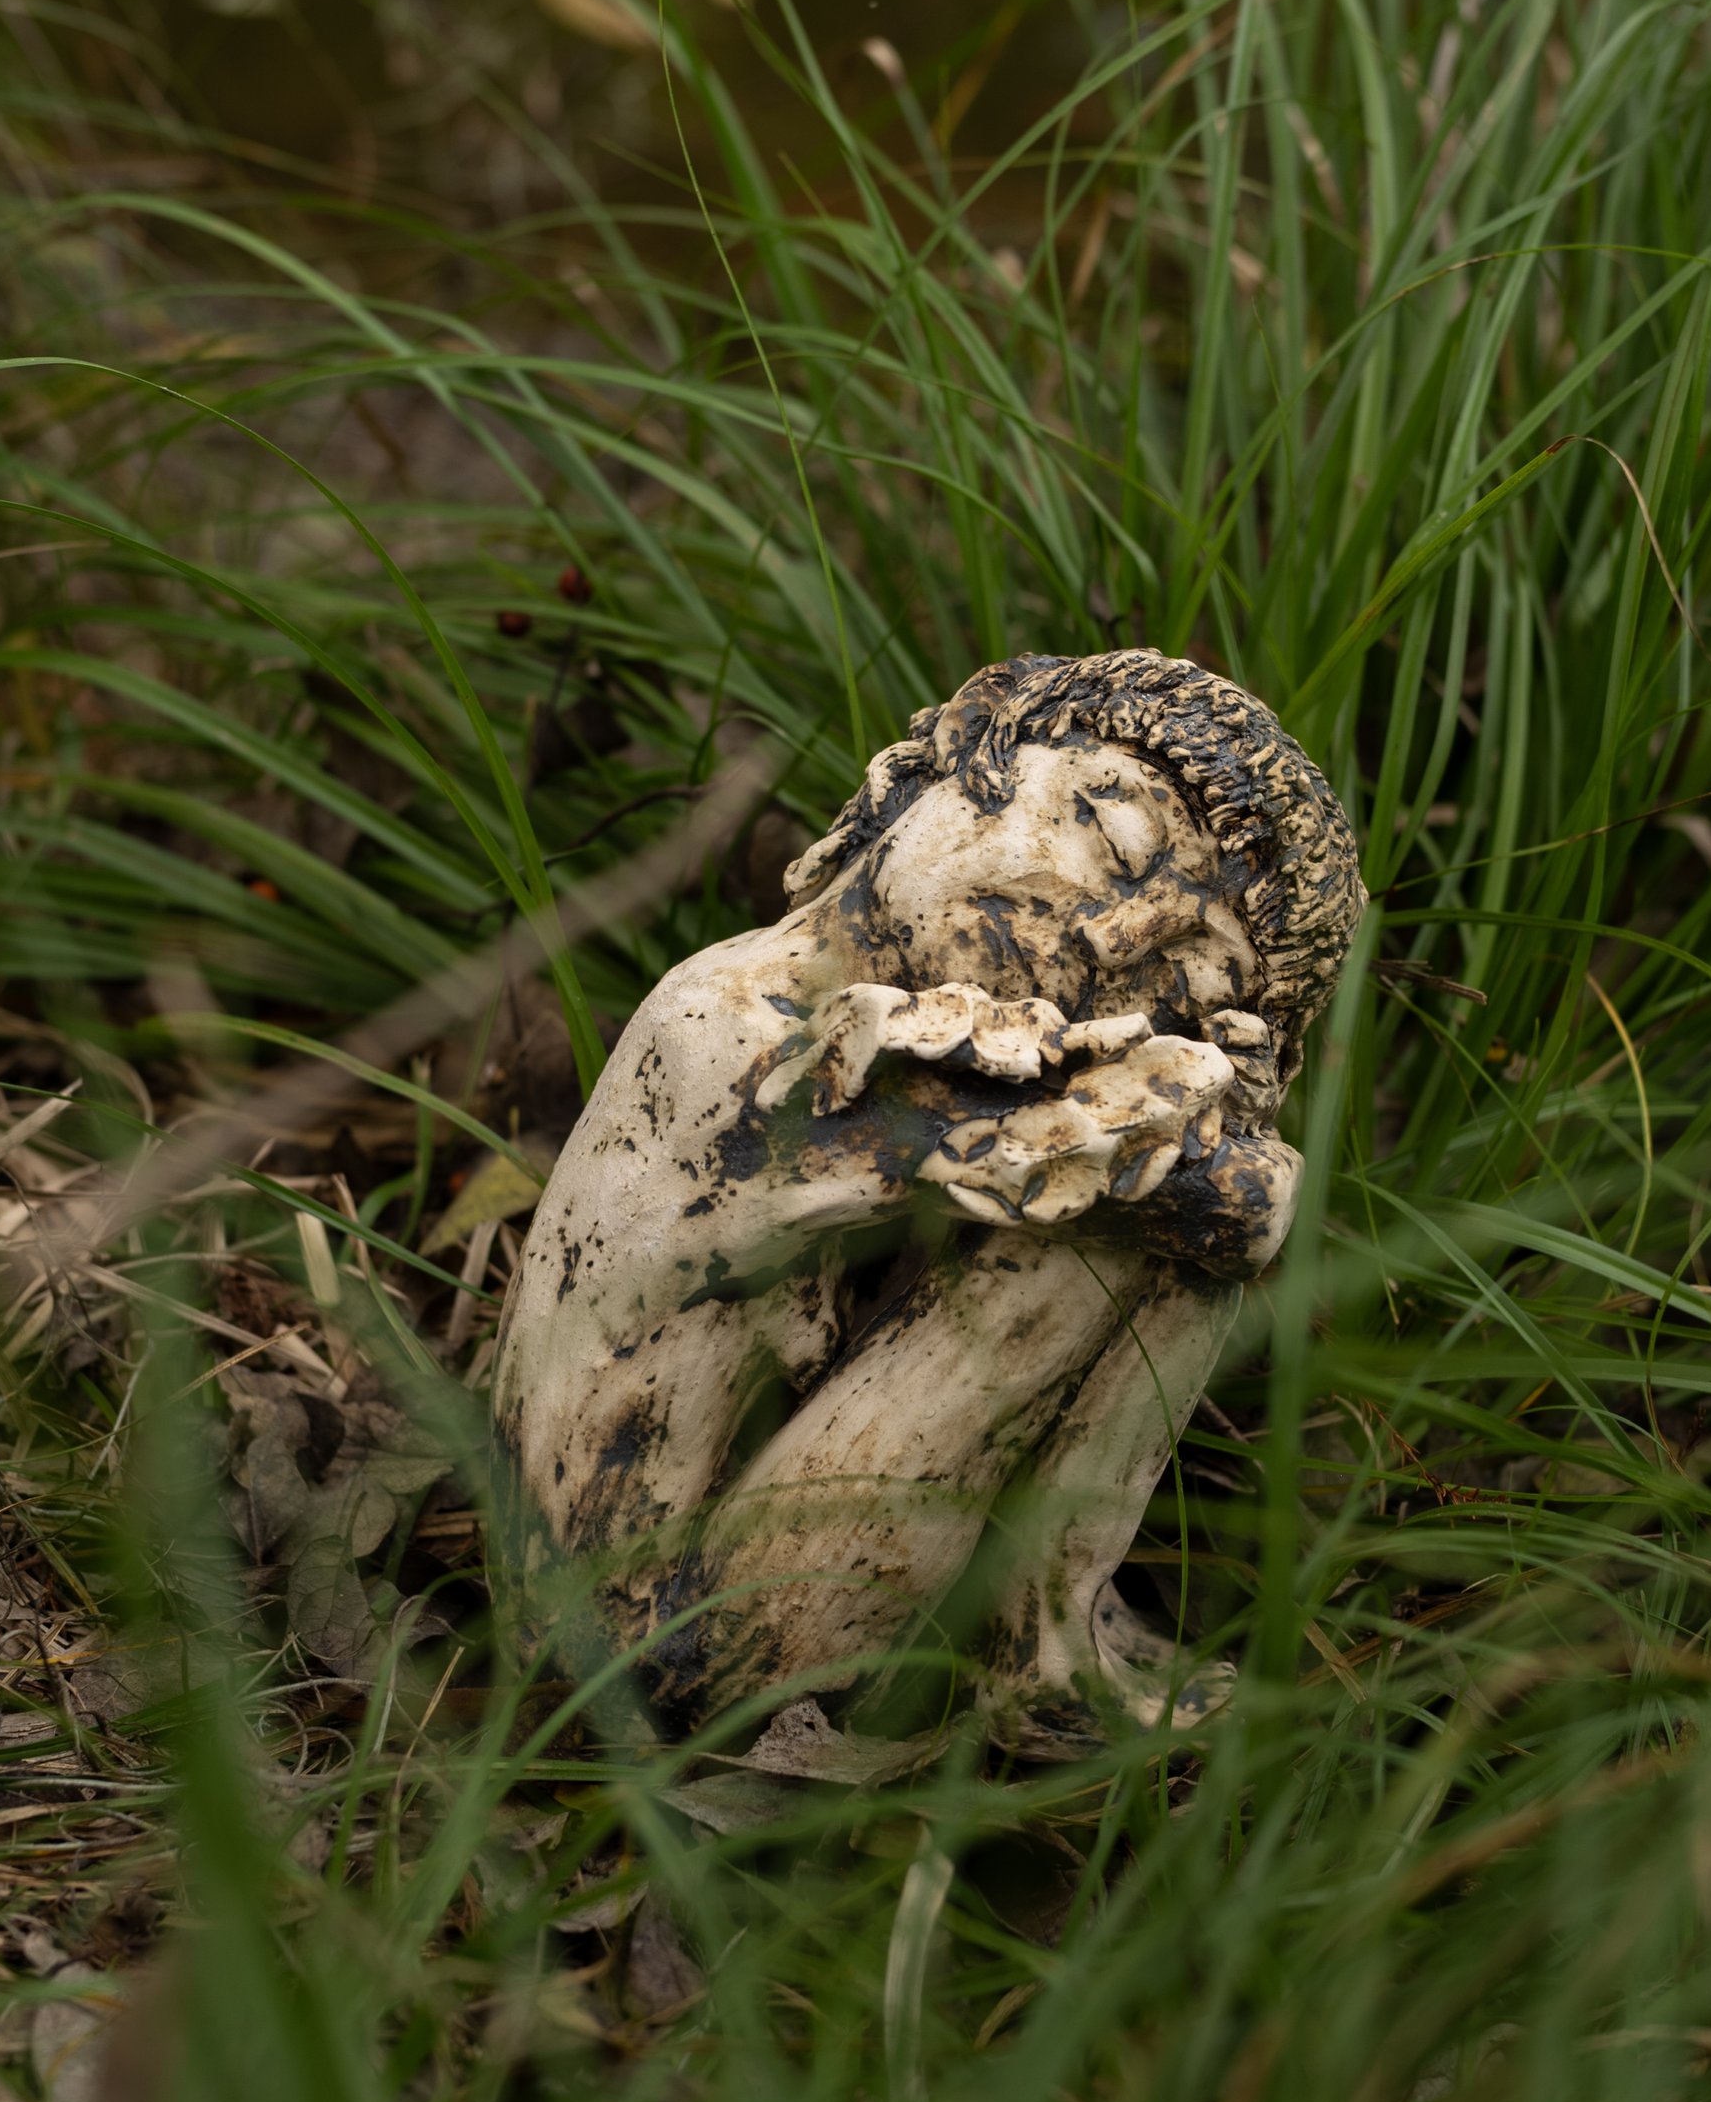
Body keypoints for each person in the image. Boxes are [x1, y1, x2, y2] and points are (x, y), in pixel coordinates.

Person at [490, 650, 1361, 1764]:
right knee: (1132, 1204)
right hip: (627, 1639)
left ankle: (1045, 1631)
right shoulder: (731, 1019)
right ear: (965, 752)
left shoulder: (933, 1051)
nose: (1112, 937)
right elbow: (1011, 1149)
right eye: (1108, 836)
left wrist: (1217, 1136)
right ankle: (973, 1662)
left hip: (708, 1566)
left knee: (1171, 1209)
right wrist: (1207, 1132)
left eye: (1186, 966)